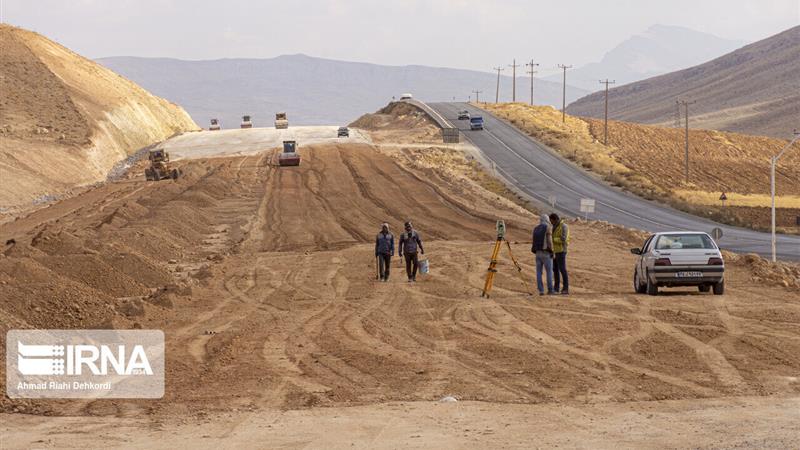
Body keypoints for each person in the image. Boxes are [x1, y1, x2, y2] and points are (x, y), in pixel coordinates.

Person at [531, 214, 555, 295]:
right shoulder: (548, 227)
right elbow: (549, 241)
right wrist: (552, 251)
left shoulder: (535, 228)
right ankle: (550, 290)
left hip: (537, 253)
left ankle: (541, 290)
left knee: (538, 272)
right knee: (549, 272)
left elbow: (533, 241)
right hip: (546, 253)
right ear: (547, 220)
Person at [550, 213, 570, 295]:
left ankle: (565, 289)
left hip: (561, 251)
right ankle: (556, 288)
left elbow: (564, 238)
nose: (550, 222)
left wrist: (554, 239)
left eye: (551, 220)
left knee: (562, 270)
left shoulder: (564, 226)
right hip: (555, 251)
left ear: (555, 219)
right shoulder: (554, 226)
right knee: (555, 270)